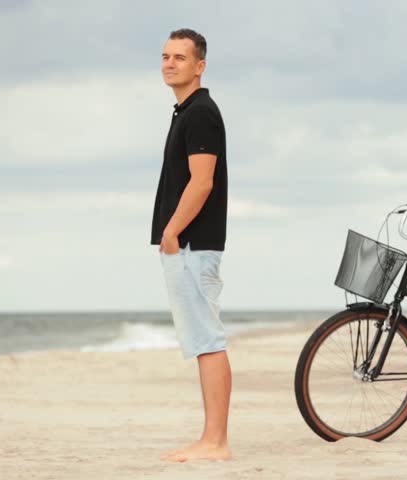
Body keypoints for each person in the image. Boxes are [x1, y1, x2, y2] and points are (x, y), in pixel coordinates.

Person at [150, 28, 231, 462]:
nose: (169, 63)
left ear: (199, 66)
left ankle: (215, 442)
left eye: (179, 57)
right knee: (204, 339)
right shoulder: (185, 111)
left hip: (192, 244)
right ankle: (212, 439)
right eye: (165, 56)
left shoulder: (200, 113)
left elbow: (202, 183)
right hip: (188, 243)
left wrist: (171, 232)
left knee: (207, 339)